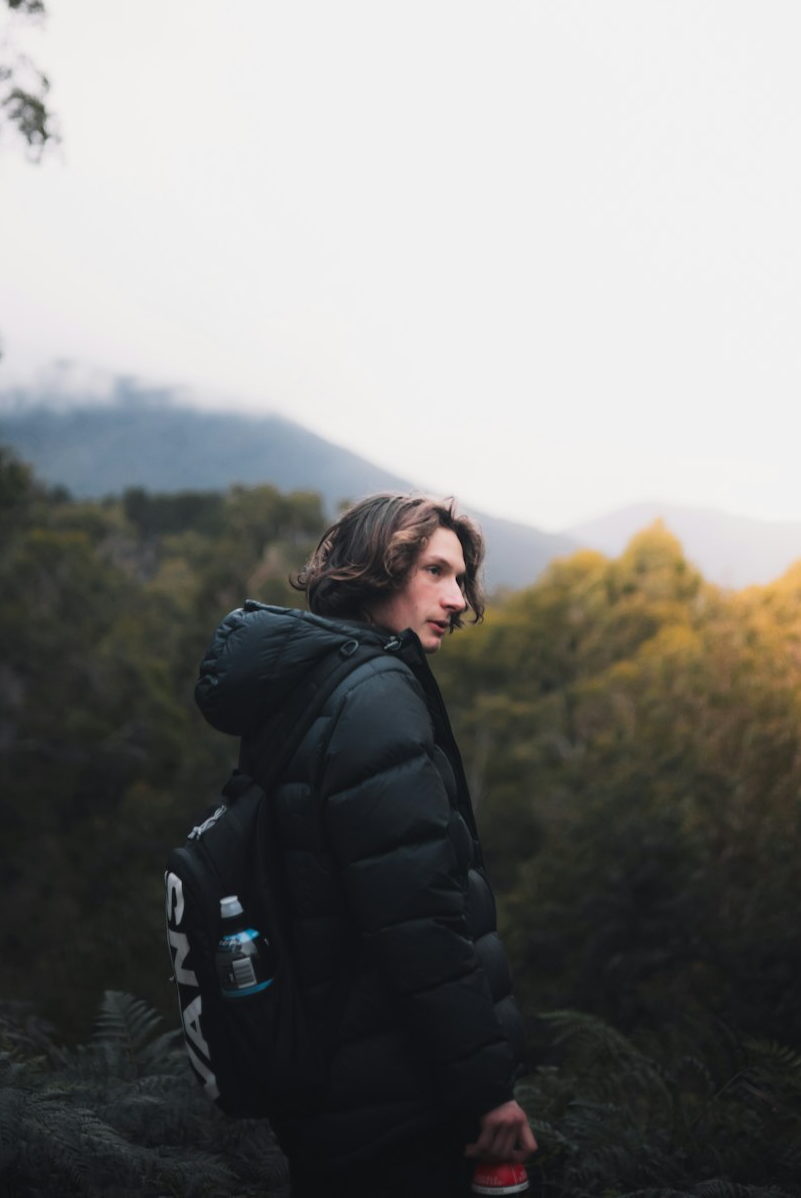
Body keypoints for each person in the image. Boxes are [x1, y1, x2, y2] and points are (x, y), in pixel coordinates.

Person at [194, 492, 536, 1197]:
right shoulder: (377, 695)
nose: (457, 597)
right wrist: (487, 1091)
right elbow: (417, 921)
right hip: (397, 1105)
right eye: (436, 572)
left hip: (335, 1094)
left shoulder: (313, 686)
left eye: (462, 578)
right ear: (380, 571)